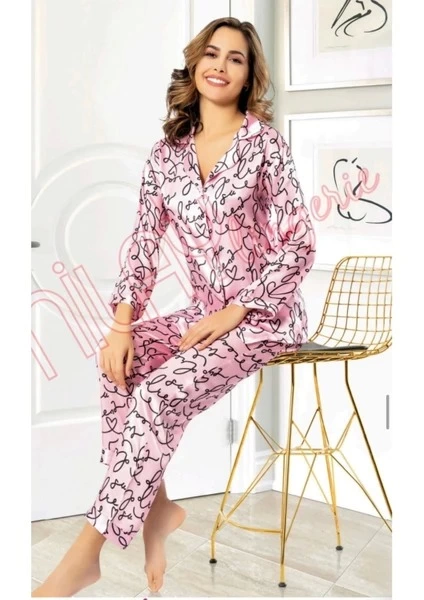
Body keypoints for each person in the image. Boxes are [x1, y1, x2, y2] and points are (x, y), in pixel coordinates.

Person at [32, 16, 316, 597]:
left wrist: (237, 310)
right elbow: (142, 241)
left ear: (248, 76)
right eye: (212, 53)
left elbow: (300, 242)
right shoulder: (168, 155)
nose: (221, 65)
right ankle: (156, 510)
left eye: (236, 58)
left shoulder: (264, 145)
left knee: (159, 395)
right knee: (119, 365)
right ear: (194, 63)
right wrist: (121, 326)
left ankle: (85, 556)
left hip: (263, 317)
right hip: (202, 310)